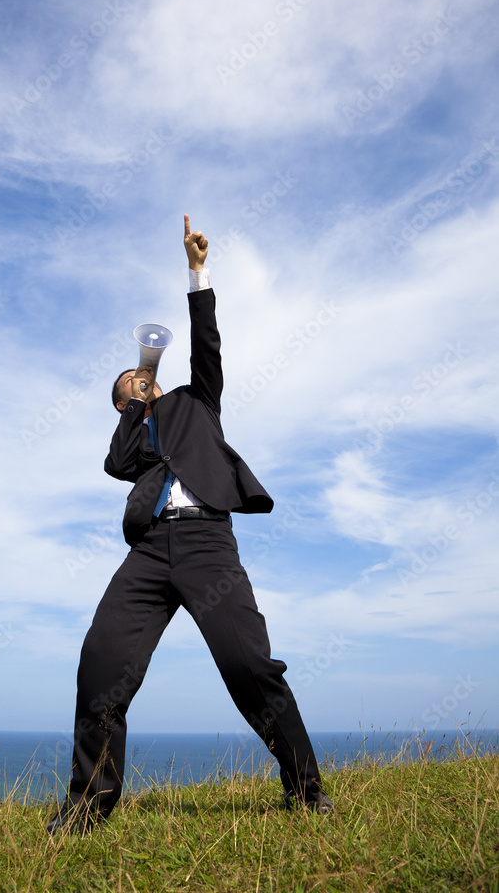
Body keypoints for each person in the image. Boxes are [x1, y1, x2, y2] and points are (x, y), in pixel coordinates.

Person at [47, 215, 332, 836]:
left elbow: (208, 347)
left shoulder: (194, 401)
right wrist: (133, 408)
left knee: (250, 668)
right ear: (122, 403)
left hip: (207, 542)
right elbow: (117, 464)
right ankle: (86, 808)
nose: (139, 383)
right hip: (150, 551)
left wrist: (197, 273)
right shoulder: (133, 437)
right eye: (128, 387)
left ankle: (307, 791)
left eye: (141, 380)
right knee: (101, 663)